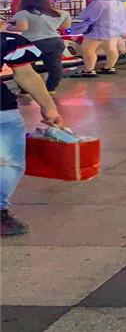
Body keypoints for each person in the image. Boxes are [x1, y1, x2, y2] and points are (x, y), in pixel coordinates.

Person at [1, 21, 63, 236]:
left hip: (3, 112)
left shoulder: (7, 40)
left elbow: (26, 74)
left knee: (8, 164)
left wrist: (49, 108)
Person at [11, 0, 70, 94]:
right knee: (55, 67)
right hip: (55, 41)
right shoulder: (62, 13)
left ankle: (26, 89)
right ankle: (50, 88)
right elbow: (64, 27)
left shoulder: (23, 13)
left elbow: (22, 28)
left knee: (25, 67)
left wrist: (10, 28)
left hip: (32, 43)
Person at [70, 0, 126, 77]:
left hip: (97, 31)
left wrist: (75, 24)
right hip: (113, 31)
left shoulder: (98, 3)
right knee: (111, 49)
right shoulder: (118, 3)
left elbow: (87, 17)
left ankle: (89, 70)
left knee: (88, 50)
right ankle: (109, 67)